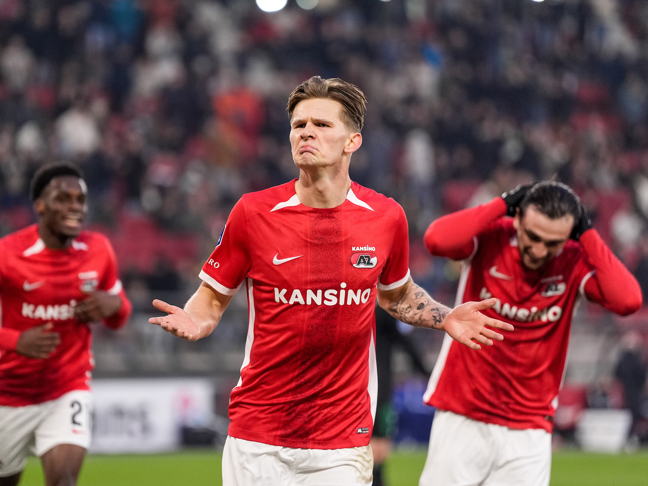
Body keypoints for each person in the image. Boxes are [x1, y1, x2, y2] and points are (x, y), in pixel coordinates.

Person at [149, 76, 513, 486]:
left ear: (352, 141)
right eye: (299, 125)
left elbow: (397, 295)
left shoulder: (386, 217)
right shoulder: (252, 213)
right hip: (258, 435)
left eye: (321, 125)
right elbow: (212, 298)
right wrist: (196, 320)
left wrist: (445, 317)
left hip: (342, 439)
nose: (306, 132)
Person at [419, 181, 643, 486]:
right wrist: (503, 203)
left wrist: (587, 233)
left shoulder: (573, 258)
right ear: (518, 219)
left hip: (529, 428)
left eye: (553, 243)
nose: (539, 250)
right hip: (463, 412)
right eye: (533, 237)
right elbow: (436, 240)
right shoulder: (492, 236)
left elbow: (628, 300)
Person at [0, 162, 132, 486]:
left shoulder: (98, 249)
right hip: (7, 393)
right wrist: (15, 342)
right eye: (63, 198)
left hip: (66, 387)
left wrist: (114, 304)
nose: (75, 207)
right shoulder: (8, 254)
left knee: (64, 481)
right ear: (40, 205)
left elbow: (120, 316)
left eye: (80, 200)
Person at [371, 305, 430, 486]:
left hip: (360, 386)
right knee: (379, 443)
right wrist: (425, 372)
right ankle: (376, 480)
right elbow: (404, 342)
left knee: (369, 441)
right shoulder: (382, 311)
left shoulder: (359, 308)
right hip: (380, 386)